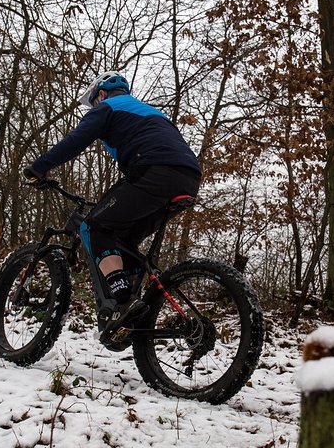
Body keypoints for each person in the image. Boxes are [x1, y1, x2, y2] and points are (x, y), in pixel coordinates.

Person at [22, 71, 201, 333]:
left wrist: (38, 167)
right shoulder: (151, 112)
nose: (94, 107)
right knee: (122, 241)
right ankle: (131, 311)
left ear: (101, 94)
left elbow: (75, 141)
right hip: (188, 178)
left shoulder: (107, 107)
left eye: (94, 101)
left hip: (153, 171)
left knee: (94, 228)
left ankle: (123, 301)